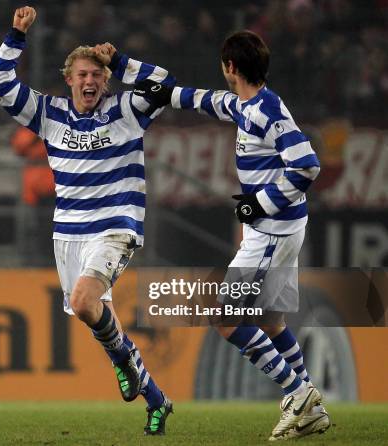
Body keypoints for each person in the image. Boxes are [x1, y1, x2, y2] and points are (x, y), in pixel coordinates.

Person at [133, 31, 329, 440]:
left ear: (230, 67)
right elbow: (180, 96)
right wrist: (120, 65)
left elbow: (307, 165)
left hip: (270, 231)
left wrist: (258, 206)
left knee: (224, 316)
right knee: (272, 320)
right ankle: (314, 406)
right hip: (284, 228)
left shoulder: (266, 111)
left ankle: (299, 395)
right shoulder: (243, 105)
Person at [0, 6, 174, 435]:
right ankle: (156, 399)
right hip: (68, 233)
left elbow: (164, 82)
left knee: (88, 302)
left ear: (105, 80)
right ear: (68, 79)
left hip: (115, 226)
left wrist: (123, 61)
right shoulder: (48, 115)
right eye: (82, 75)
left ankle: (125, 366)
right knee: (93, 315)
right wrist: (16, 36)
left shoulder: (128, 110)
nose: (90, 81)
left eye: (97, 74)